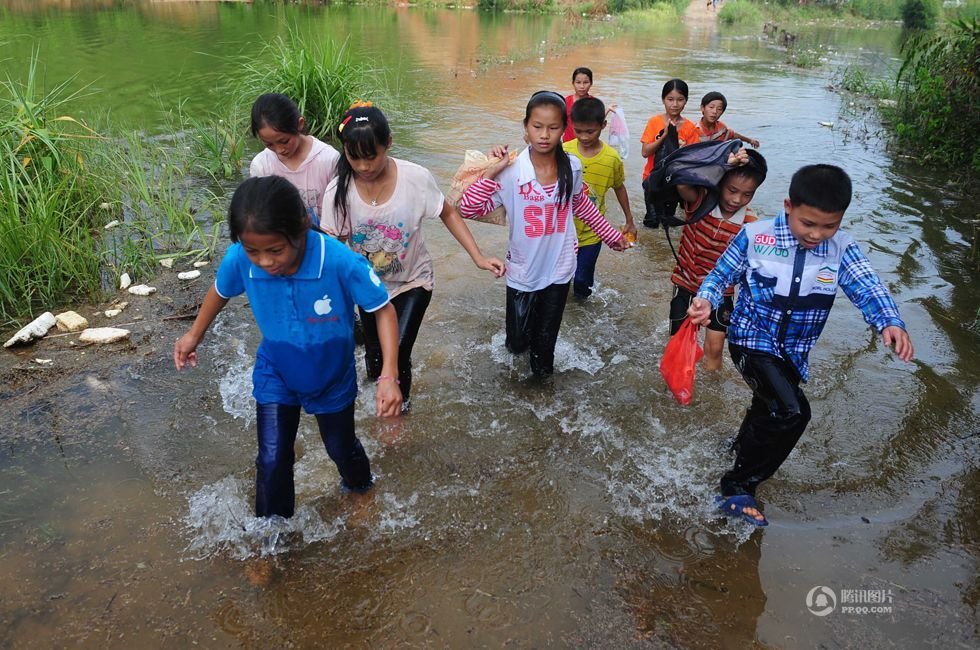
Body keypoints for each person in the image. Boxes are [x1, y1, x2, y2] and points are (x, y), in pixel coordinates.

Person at [687, 164, 914, 526]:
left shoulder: (841, 248)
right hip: (751, 339)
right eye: (809, 224)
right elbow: (720, 275)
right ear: (788, 206)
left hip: (795, 351)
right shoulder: (755, 236)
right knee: (793, 412)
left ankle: (739, 450)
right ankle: (736, 485)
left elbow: (867, 285)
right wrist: (706, 299)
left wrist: (889, 321)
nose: (817, 234)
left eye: (829, 226)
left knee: (768, 405)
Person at [174, 176, 402, 519]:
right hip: (276, 370)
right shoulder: (239, 259)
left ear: (301, 229)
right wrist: (194, 334)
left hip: (331, 374)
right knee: (272, 457)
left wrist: (389, 376)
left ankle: (361, 489)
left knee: (340, 449)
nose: (265, 262)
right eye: (254, 251)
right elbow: (220, 291)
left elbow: (383, 310)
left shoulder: (338, 261)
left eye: (275, 250)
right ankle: (272, 538)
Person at [320, 103, 505, 412]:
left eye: (371, 156)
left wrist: (478, 257)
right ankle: (379, 395)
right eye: (354, 158)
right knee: (377, 355)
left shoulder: (415, 178)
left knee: (399, 352)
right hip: (368, 287)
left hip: (413, 281)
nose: (363, 167)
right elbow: (331, 247)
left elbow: (448, 211)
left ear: (388, 143)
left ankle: (396, 415)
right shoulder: (339, 191)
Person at [458, 90, 629, 376]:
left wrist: (611, 235)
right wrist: (492, 171)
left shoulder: (572, 167)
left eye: (553, 127)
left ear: (565, 129)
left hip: (559, 269)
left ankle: (541, 392)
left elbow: (580, 205)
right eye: (537, 127)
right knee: (516, 342)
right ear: (526, 127)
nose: (544, 135)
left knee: (544, 349)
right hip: (523, 271)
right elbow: (469, 208)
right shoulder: (511, 170)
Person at [669, 147, 766, 370]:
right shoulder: (700, 200)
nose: (736, 199)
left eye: (747, 194)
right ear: (719, 181)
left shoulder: (750, 224)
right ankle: (679, 389)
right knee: (680, 343)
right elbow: (680, 175)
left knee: (715, 347)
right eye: (732, 190)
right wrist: (722, 164)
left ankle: (710, 392)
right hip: (686, 283)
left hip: (722, 291)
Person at [562, 96, 637, 299]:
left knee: (582, 282)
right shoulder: (564, 151)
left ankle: (582, 312)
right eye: (578, 131)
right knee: (558, 280)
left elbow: (619, 188)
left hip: (593, 232)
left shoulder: (611, 158)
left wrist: (629, 219)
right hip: (564, 230)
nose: (584, 137)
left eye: (590, 131)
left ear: (603, 125)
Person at [249, 93, 340, 227]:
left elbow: (340, 212)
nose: (279, 150)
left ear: (299, 124)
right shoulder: (262, 166)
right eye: (269, 144)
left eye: (284, 141)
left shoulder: (328, 159)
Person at [640, 79, 700, 228]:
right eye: (670, 99)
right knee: (652, 221)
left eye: (680, 99)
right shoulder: (654, 122)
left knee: (668, 220)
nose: (675, 104)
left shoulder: (690, 128)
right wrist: (665, 135)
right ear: (663, 100)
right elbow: (645, 152)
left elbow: (694, 161)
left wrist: (683, 150)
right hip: (652, 179)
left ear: (686, 101)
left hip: (674, 183)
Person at [696, 92, 761, 148]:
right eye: (711, 107)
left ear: (722, 112)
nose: (714, 112)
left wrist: (750, 141)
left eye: (719, 109)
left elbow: (733, 135)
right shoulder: (694, 130)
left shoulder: (721, 128)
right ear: (702, 108)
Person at [562, 67, 594, 143]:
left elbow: (598, 124)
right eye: (578, 82)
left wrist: (607, 110)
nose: (582, 86)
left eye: (586, 82)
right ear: (573, 83)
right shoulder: (565, 102)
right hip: (567, 144)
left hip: (586, 144)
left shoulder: (594, 103)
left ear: (591, 83)